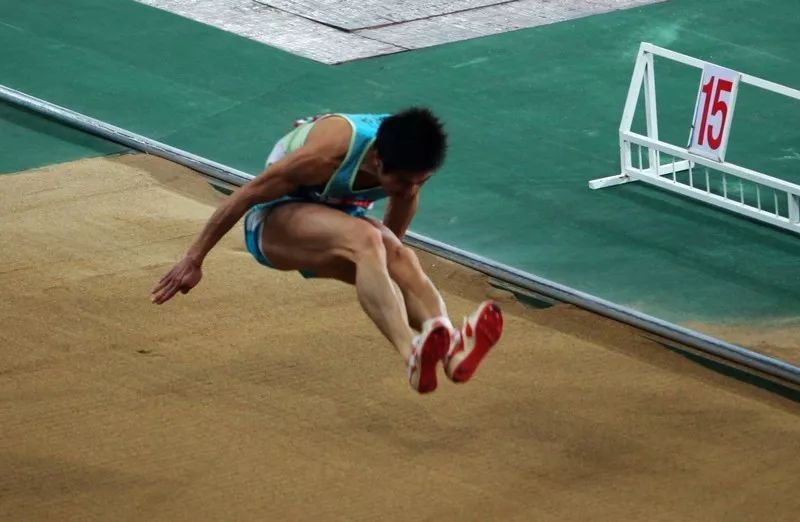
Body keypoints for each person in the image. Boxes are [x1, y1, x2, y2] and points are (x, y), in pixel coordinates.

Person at [150, 107, 503, 394]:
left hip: (337, 220)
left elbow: (390, 247)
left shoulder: (407, 165)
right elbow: (247, 196)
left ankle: (452, 345)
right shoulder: (327, 154)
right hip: (273, 222)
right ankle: (411, 353)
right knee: (365, 239)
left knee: (400, 256)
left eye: (421, 182)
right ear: (378, 161)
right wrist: (194, 258)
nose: (411, 190)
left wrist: (384, 264)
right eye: (405, 182)